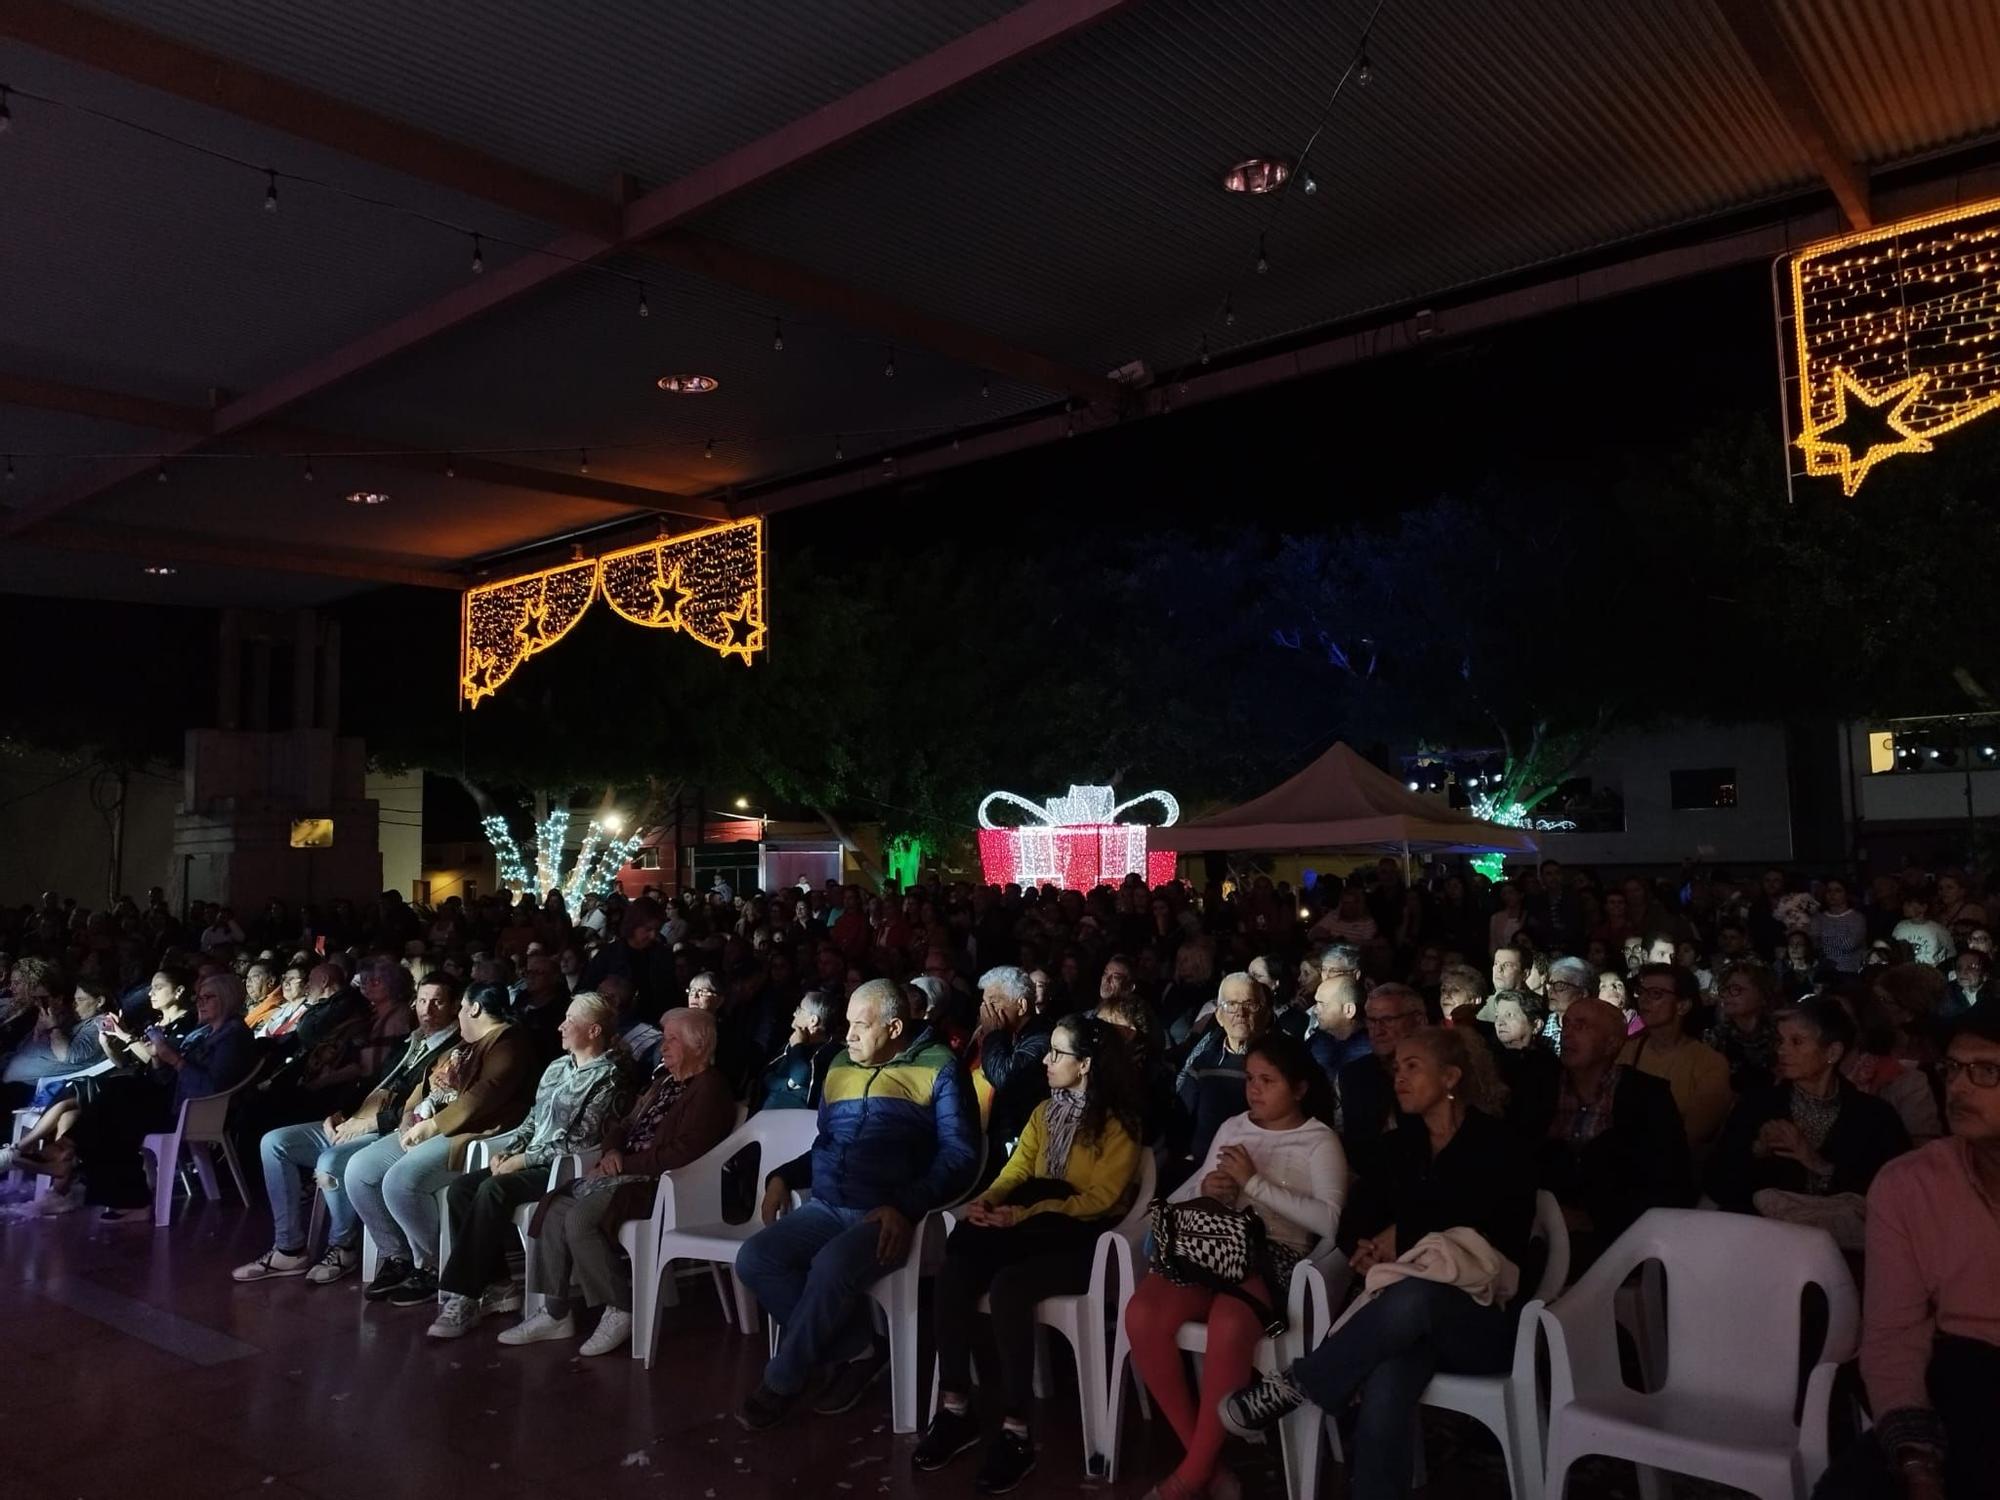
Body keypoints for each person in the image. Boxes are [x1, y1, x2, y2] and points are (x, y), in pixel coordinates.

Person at [1216, 1027, 1534, 1500]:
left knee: (1417, 1297)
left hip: (1482, 1318)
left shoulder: (1496, 1144)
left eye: (1412, 1067)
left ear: (1451, 1077)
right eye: (1396, 1068)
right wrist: (1365, 1245)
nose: (1399, 1078)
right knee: (1388, 1374)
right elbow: (1353, 1217)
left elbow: (1493, 1226)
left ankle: (1300, 1382)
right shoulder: (1400, 1146)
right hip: (1403, 1326)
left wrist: (1401, 1237)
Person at [734, 978, 978, 1429]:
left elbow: (961, 1156)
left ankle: (782, 1381)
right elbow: (828, 1143)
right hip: (827, 1205)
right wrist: (783, 1176)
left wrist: (906, 1206)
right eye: (847, 1024)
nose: (847, 1036)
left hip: (887, 1213)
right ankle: (859, 1350)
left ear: (895, 1026)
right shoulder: (841, 1066)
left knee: (830, 1265)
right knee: (755, 1258)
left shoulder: (940, 1067)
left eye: (860, 1026)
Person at [915, 1015, 1145, 1492]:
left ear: (1085, 1065)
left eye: (1057, 1053)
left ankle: (1017, 1431)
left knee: (1009, 1286)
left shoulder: (1118, 1125)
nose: (1046, 1059)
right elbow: (1017, 1170)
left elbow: (1099, 1200)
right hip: (1030, 1224)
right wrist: (988, 1202)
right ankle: (956, 1406)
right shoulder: (1045, 1112)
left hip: (1081, 1237)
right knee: (955, 1267)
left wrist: (1021, 1215)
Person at [1124, 1034, 1347, 1500]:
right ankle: (1206, 1463)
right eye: (1250, 1079)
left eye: (1268, 1080)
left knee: (1230, 1319)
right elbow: (1193, 1191)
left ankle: (1187, 1479)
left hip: (1274, 1257)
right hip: (1214, 1248)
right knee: (1144, 1312)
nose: (1255, 1090)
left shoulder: (1318, 1141)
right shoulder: (1233, 1127)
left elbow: (1329, 1223)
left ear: (1299, 1088)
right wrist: (1212, 1189)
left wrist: (1254, 1184)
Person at [1817, 1006, 2000, 1500]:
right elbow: (1894, 1334)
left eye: (1986, 1071)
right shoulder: (1910, 1184)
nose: (1960, 1087)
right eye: (1954, 1068)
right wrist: (1915, 1457)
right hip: (1960, 1375)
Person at [500, 1006, 737, 1354]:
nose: (663, 1046)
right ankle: (554, 1313)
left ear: (698, 1046)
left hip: (661, 1185)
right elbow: (621, 1126)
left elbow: (685, 1153)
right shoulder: (664, 1082)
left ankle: (620, 1308)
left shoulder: (710, 1089)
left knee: (579, 1218)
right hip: (623, 1174)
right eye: (664, 1038)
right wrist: (611, 1152)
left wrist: (624, 1164)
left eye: (672, 1039)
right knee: (551, 1209)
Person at [232, 974, 461, 1285]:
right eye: (422, 1001)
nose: (427, 1009)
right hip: (358, 1120)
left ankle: (343, 1246)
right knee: (274, 1142)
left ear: (454, 1007)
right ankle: (289, 1248)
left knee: (330, 1161)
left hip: (387, 1130)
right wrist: (340, 1113)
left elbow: (422, 1107)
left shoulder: (454, 1050)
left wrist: (370, 1123)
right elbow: (372, 1083)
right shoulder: (409, 1041)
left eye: (437, 1002)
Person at [428, 993, 630, 1338]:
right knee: (462, 1189)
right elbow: (532, 1123)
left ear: (594, 1030)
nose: (560, 1025)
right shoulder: (556, 1068)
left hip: (564, 1168)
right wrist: (509, 1149)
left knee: (493, 1189)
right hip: (530, 1159)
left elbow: (580, 1141)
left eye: (570, 1020)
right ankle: (499, 1285)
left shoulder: (609, 1078)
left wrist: (523, 1160)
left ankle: (464, 1296)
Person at [347, 981, 540, 1307]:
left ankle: (435, 1264)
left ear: (475, 1008)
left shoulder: (508, 1042)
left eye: (462, 1008)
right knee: (359, 1171)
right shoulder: (466, 1045)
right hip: (431, 1127)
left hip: (474, 1135)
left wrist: (433, 1125)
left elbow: (482, 1097)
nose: (459, 1015)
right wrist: (411, 1115)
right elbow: (427, 1086)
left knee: (400, 1182)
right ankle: (398, 1256)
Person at [1705, 997, 1911, 1245]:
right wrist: (1756, 1150)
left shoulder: (1874, 1117)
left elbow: (1895, 1195)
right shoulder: (1757, 1106)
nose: (1782, 1050)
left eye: (1797, 1042)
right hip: (1760, 1244)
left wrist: (1818, 1164)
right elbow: (1718, 1184)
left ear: (1832, 1052)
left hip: (1844, 1253)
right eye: (1780, 1041)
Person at [72, 970, 258, 1222]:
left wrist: (174, 1059)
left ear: (226, 998)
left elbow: (212, 1086)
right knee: (108, 1099)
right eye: (199, 998)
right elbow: (165, 1078)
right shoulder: (203, 1033)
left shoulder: (234, 1036)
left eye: (208, 997)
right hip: (173, 1101)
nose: (199, 1002)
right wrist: (160, 1059)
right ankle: (80, 1163)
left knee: (114, 1112)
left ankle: (127, 1196)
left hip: (193, 1112)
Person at [1532, 997, 1693, 1267]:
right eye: (1566, 1024)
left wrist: (1592, 1216)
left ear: (1611, 1044)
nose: (1568, 1032)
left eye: (1582, 1026)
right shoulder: (1538, 1088)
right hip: (1540, 1224)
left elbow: (1669, 1180)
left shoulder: (1647, 1096)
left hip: (1615, 1233)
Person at [1619, 964, 1732, 1158]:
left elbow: (1691, 1136)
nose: (1644, 1000)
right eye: (1641, 992)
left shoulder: (1709, 1064)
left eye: (1655, 994)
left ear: (1682, 1005)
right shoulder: (1626, 1051)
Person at [1174, 971, 1273, 1166]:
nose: (1240, 1013)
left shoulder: (1280, 1064)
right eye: (1231, 1005)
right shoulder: (1203, 1062)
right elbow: (1180, 1119)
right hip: (1202, 1167)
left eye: (1250, 1004)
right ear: (1218, 1016)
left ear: (1264, 1014)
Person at [967, 966, 1052, 1174]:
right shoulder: (1007, 1036)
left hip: (1018, 1141)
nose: (985, 1012)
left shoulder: (1041, 1039)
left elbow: (1005, 1078)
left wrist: (993, 1035)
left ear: (1021, 1005)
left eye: (994, 1003)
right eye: (984, 1003)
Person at [580, 897, 678, 1022]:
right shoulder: (609, 955)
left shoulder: (663, 955)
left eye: (657, 930)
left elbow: (671, 996)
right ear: (633, 925)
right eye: (647, 929)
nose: (653, 935)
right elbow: (585, 990)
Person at [753, 989, 842, 1111]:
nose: (795, 1013)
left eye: (799, 1009)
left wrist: (797, 1046)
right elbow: (767, 1078)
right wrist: (788, 1084)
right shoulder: (795, 1040)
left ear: (813, 1020)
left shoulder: (830, 1052)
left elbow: (801, 1077)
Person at [1705, 960, 1782, 1093]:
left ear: (1763, 995)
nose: (1725, 995)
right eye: (1724, 989)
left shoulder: (1782, 1036)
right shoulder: (1716, 1038)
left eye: (1735, 989)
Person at [1305, 975, 1371, 1092]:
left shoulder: (1371, 1051)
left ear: (1349, 1010)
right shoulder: (1317, 1040)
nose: (1315, 1010)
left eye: (1322, 1004)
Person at [1813, 878, 1870, 975]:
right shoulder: (1818, 918)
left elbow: (1849, 944)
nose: (1832, 894)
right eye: (1829, 891)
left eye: (1837, 890)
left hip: (1851, 971)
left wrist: (1823, 938)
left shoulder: (1857, 918)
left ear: (1846, 894)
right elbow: (1815, 944)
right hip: (1825, 971)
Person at [1893, 889, 1955, 970]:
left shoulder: (1937, 929)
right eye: (1904, 904)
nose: (1904, 907)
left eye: (1909, 904)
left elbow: (1951, 952)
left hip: (1930, 973)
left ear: (1923, 907)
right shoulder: (1900, 926)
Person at [1942, 947, 1990, 1020]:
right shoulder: (1946, 994)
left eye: (1971, 967)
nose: (1963, 972)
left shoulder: (1994, 995)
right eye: (1959, 967)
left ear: (1985, 975)